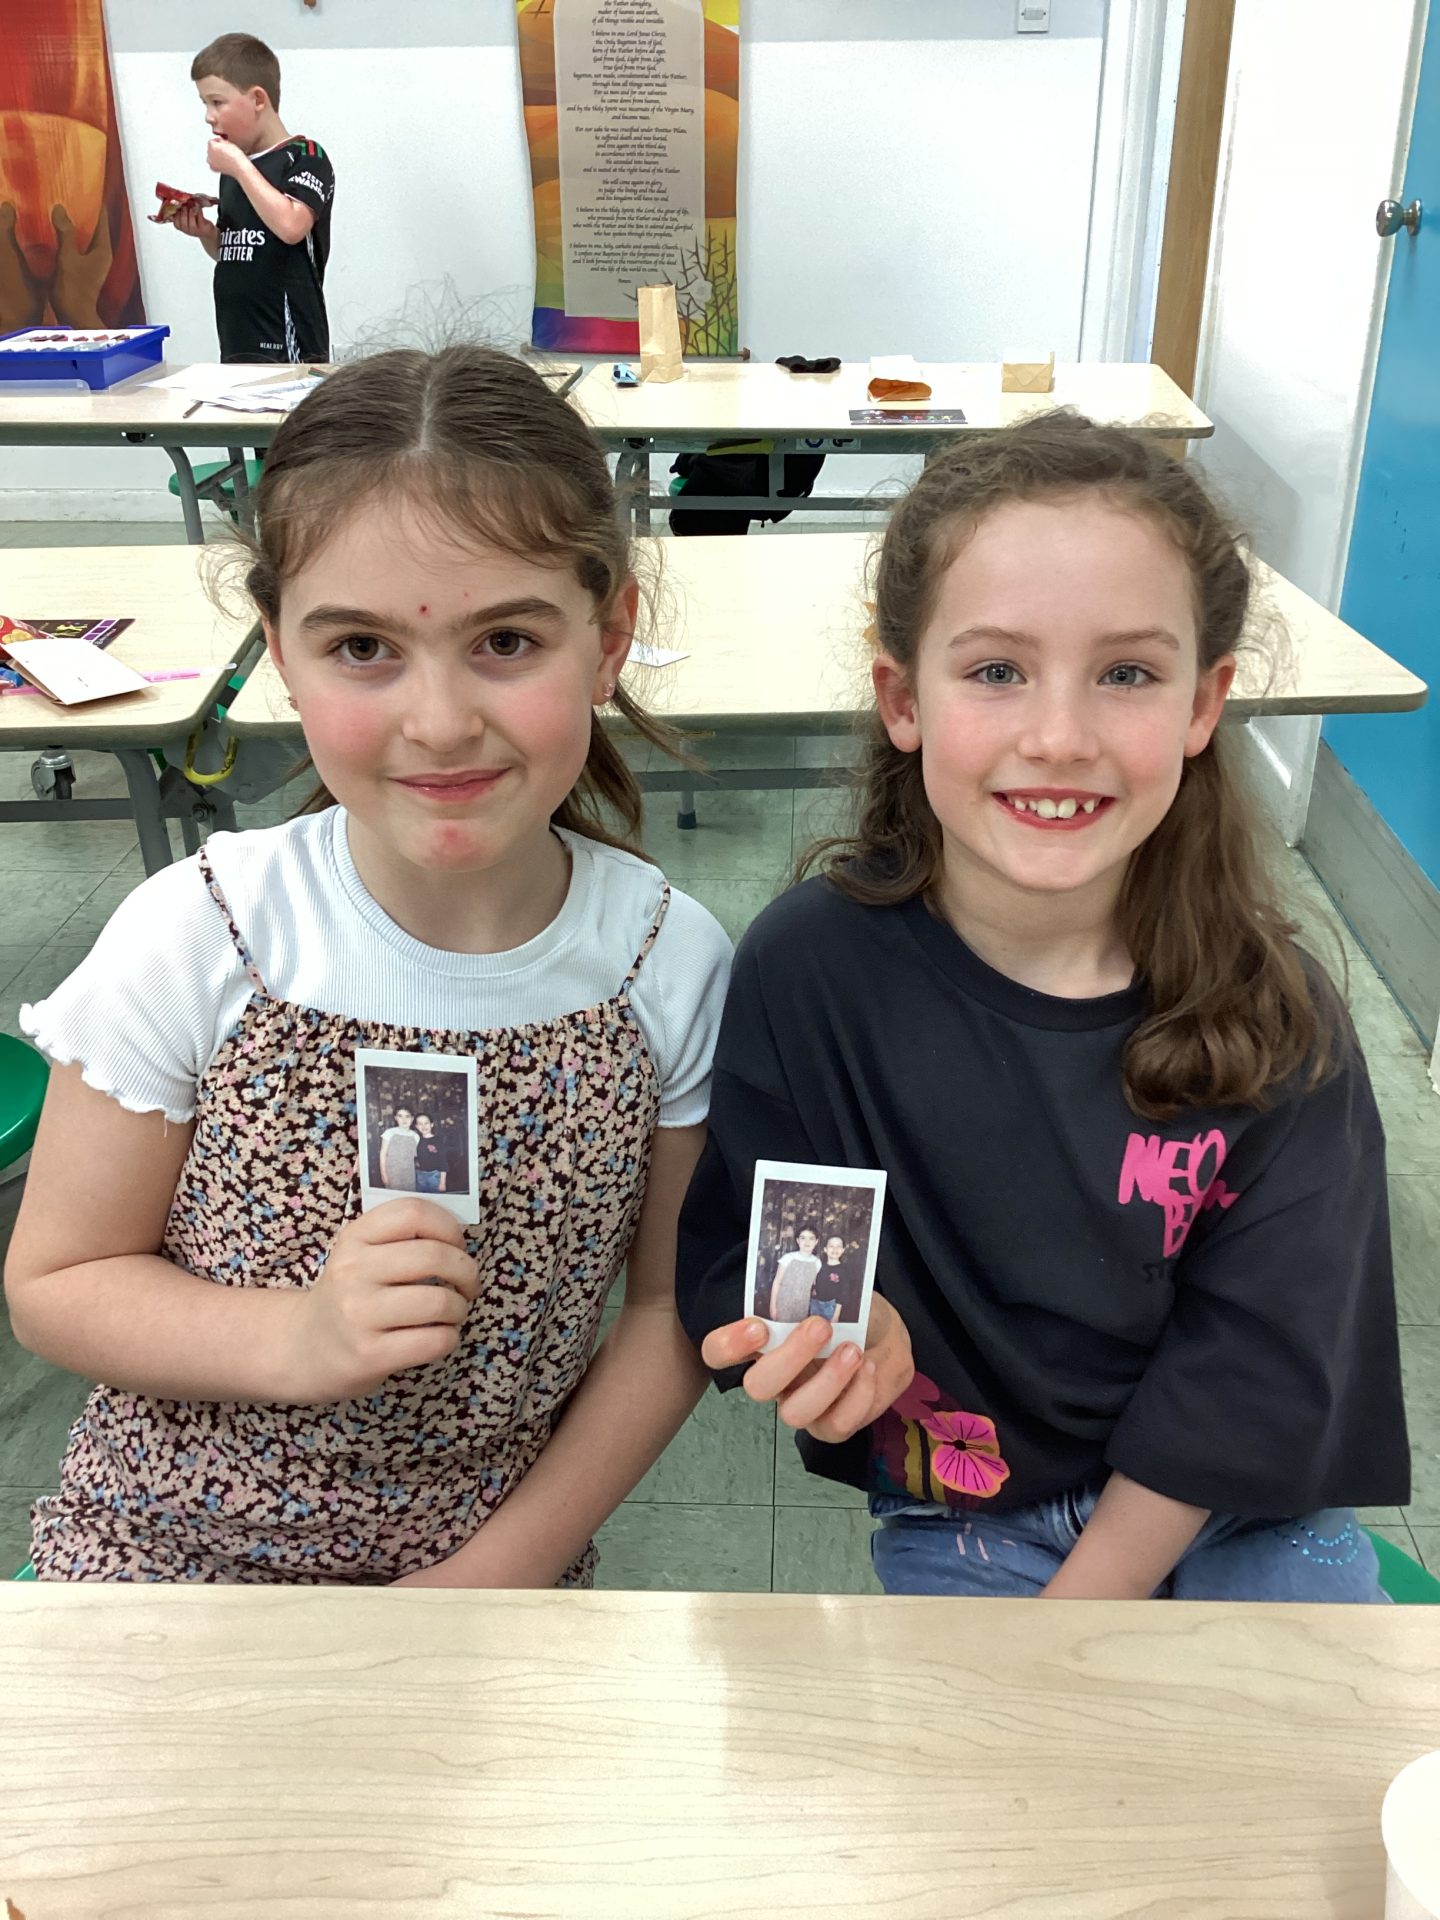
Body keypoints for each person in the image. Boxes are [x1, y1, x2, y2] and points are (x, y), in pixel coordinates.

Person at [6, 344, 732, 1587]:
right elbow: (57, 1283)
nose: (439, 722)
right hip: (164, 1548)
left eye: (508, 639)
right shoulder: (203, 935)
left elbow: (668, 1314)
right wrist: (298, 1336)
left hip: (494, 1565)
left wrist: (485, 1582)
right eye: (361, 647)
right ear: (280, 653)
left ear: (609, 640)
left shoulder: (666, 964)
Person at [676, 412, 1409, 1604]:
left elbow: (1254, 1369)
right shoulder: (808, 974)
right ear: (903, 699)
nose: (1059, 737)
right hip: (967, 1511)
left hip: (1231, 1510)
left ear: (1203, 703)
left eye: (1127, 674)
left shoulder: (1276, 1019)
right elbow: (748, 1244)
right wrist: (833, 1331)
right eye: (996, 671)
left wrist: (1074, 1625)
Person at [171, 33, 334, 363]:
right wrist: (207, 234)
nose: (208, 116)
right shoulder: (237, 169)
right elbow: (239, 252)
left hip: (290, 347)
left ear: (258, 99)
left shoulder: (305, 155)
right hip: (236, 339)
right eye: (204, 104)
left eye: (217, 102)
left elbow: (291, 227)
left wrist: (238, 165)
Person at [767, 1226, 821, 1321]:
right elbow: (777, 1282)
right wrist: (772, 1307)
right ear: (797, 1240)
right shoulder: (788, 1258)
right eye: (803, 1238)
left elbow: (814, 1285)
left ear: (816, 1241)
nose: (807, 1241)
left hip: (802, 1307)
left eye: (811, 1238)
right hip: (783, 1305)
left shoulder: (817, 1262)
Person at [811, 1234, 861, 1323]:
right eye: (831, 1246)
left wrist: (836, 1315)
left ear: (843, 1250)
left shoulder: (844, 1270)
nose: (835, 1249)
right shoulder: (819, 1265)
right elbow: (816, 1282)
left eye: (838, 1246)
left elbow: (844, 1294)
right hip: (815, 1304)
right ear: (825, 1249)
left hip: (831, 1307)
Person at [378, 1106, 419, 1191]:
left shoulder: (415, 1136)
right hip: (392, 1172)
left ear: (412, 1119)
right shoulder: (389, 1133)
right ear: (396, 1118)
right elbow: (383, 1154)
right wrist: (383, 1174)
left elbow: (416, 1157)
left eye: (407, 1116)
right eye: (400, 1116)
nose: (404, 1119)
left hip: (409, 1173)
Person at [414, 1113, 447, 1194]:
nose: (423, 1126)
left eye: (426, 1123)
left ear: (432, 1124)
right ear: (416, 1126)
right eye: (420, 1123)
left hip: (434, 1175)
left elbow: (443, 1162)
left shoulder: (438, 1141)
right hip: (420, 1175)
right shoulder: (417, 1140)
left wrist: (442, 1182)